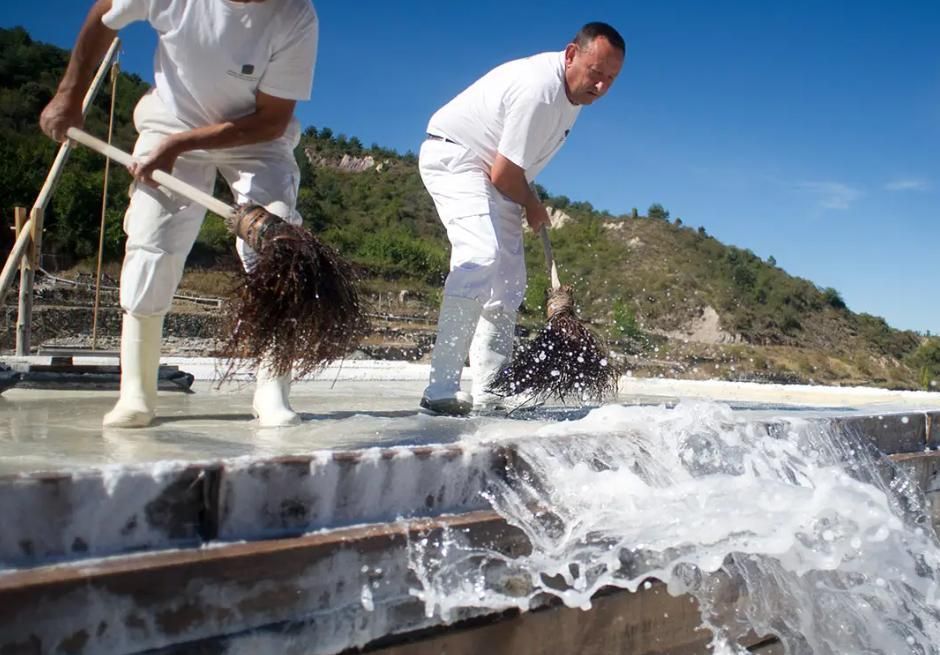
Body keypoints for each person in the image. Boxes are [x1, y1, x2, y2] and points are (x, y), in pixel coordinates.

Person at [40, 0, 319, 428]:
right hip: (172, 119)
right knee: (153, 244)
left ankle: (272, 392)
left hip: (254, 138)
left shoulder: (295, 15)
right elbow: (102, 16)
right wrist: (69, 95)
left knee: (278, 250)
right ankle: (136, 392)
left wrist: (179, 148)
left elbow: (272, 120)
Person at [418, 22, 625, 416]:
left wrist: (526, 194)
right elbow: (504, 174)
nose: (600, 87)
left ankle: (491, 389)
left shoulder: (574, 99)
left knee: (510, 283)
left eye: (610, 80)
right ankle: (439, 389)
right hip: (458, 158)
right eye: (595, 74)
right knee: (479, 255)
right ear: (570, 54)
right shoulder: (539, 90)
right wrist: (531, 203)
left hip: (497, 175)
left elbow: (511, 171)